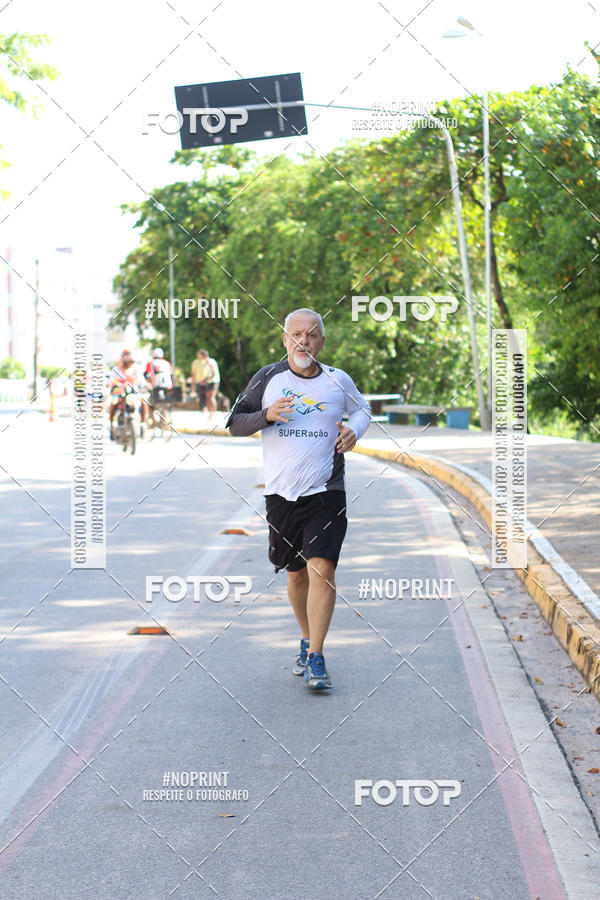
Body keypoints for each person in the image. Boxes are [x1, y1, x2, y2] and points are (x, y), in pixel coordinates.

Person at [226, 308, 370, 691]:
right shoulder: (268, 378)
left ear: (321, 341)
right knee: (295, 573)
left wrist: (354, 431)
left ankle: (317, 656)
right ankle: (306, 638)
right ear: (285, 339)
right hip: (281, 494)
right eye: (296, 334)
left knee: (322, 567)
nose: (303, 341)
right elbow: (234, 423)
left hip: (326, 491)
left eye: (311, 334)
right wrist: (266, 416)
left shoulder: (338, 380)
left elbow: (362, 408)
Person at [108, 349, 147, 438]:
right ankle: (112, 425)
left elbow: (142, 381)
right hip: (119, 394)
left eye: (131, 361)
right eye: (127, 361)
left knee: (144, 402)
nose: (129, 363)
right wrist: (110, 384)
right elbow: (110, 381)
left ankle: (143, 424)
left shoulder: (136, 370)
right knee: (113, 403)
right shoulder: (116, 370)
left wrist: (146, 385)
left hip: (133, 394)